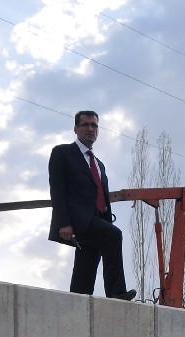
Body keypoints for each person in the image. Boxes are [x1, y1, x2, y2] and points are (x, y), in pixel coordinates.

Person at [47, 111, 135, 299]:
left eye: (94, 125)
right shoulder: (62, 153)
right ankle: (116, 292)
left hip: (97, 219)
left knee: (86, 265)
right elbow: (57, 189)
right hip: (78, 220)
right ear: (76, 129)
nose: (90, 129)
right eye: (85, 125)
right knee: (114, 235)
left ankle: (75, 302)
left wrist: (107, 221)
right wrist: (64, 222)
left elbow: (102, 196)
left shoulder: (98, 164)